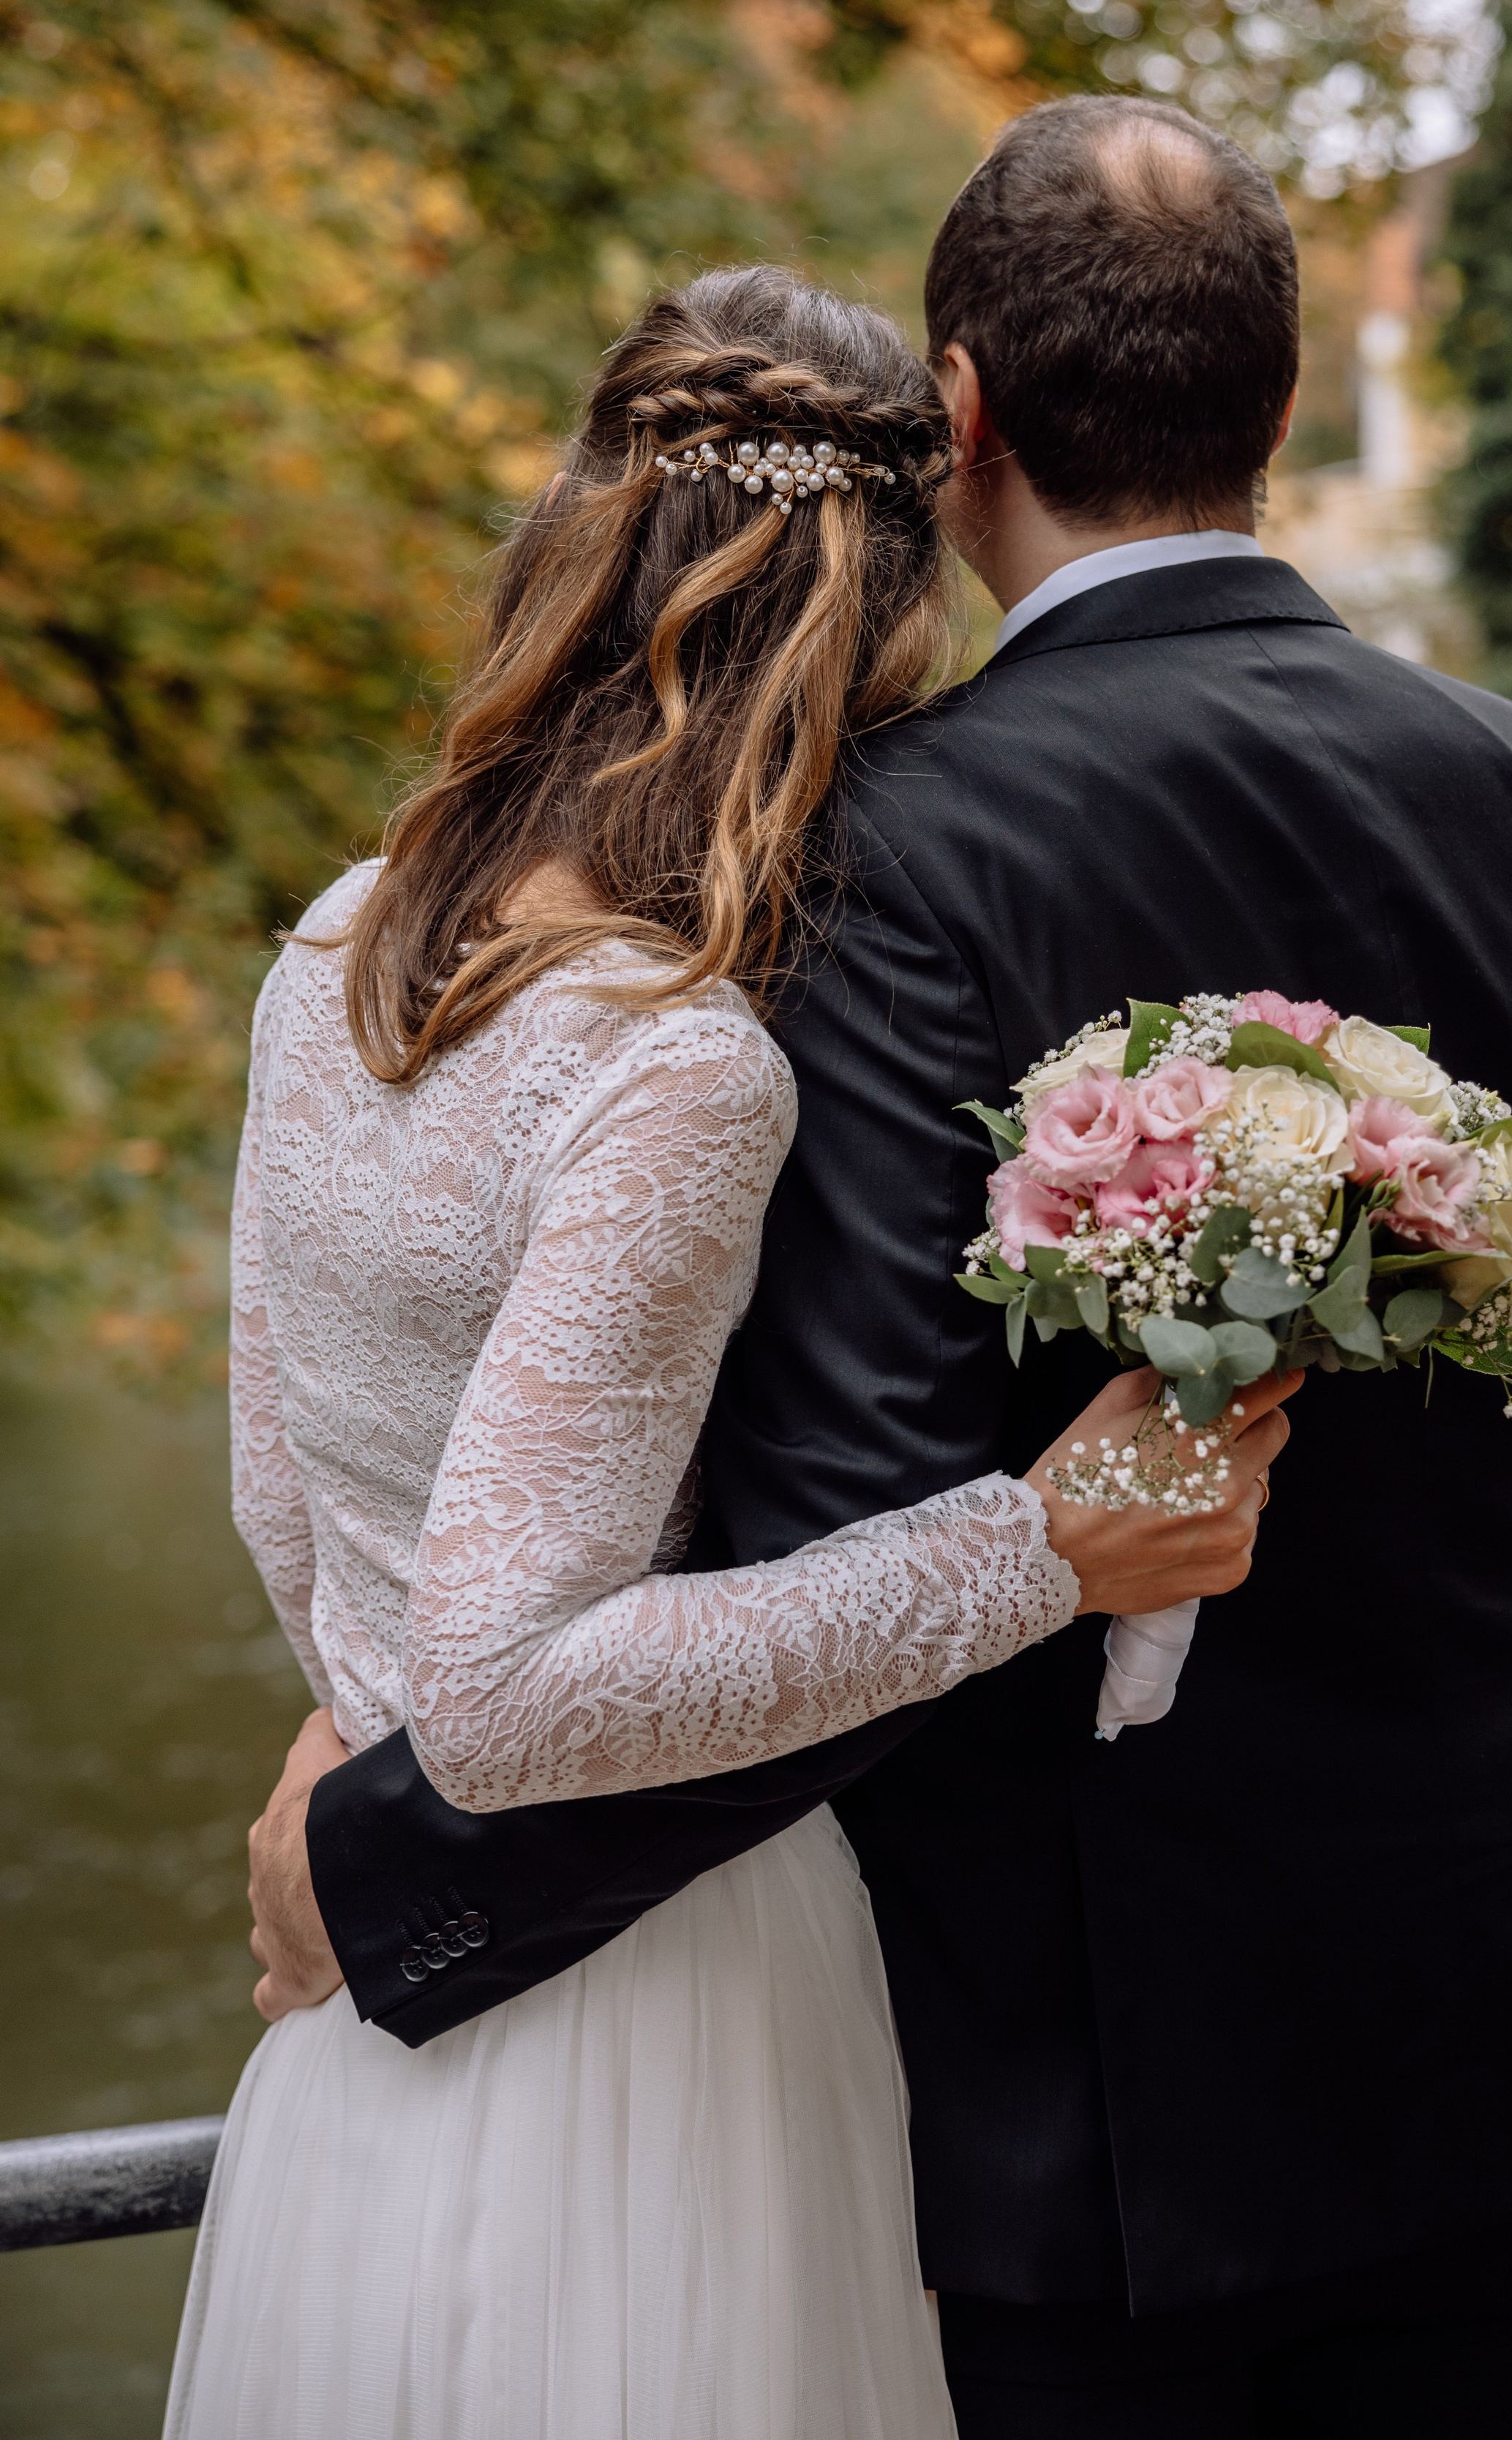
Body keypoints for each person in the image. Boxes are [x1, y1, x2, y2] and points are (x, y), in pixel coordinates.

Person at [247, 97, 1512, 2440]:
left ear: (959, 411)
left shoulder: (868, 846)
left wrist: (399, 1852)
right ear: (1282, 400)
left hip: (1065, 2111)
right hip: (1504, 2034)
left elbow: (839, 1511)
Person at [163, 260, 1290, 2440]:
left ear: (576, 535)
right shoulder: (675, 1061)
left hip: (365, 2054)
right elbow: (507, 1708)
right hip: (652, 2024)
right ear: (881, 607)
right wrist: (1042, 1545)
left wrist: (346, 1741)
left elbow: (279, 1494)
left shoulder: (332, 946)